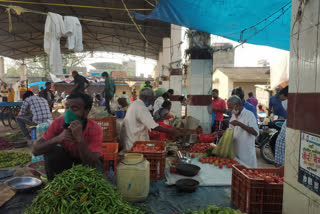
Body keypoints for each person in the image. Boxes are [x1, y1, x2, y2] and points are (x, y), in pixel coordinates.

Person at [32, 93, 103, 180]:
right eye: (67, 107)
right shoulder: (58, 123)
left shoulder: (95, 128)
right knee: (52, 152)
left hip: (86, 161)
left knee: (96, 171)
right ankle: (55, 186)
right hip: (67, 160)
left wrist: (80, 139)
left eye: (75, 108)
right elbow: (35, 150)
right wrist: (57, 139)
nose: (68, 112)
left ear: (86, 111)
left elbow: (91, 164)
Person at [227, 95, 259, 168]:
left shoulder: (249, 115)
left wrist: (240, 124)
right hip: (236, 153)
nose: (229, 110)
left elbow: (255, 132)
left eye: (230, 107)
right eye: (228, 107)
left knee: (248, 173)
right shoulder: (233, 115)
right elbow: (230, 132)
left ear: (237, 105)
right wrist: (223, 133)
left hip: (246, 154)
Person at [275, 86, 288, 167]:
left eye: (283, 100)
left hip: (284, 162)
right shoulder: (289, 118)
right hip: (280, 160)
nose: (283, 103)